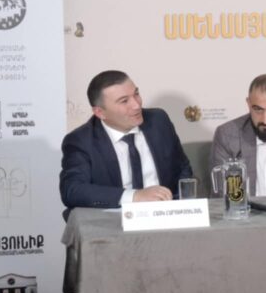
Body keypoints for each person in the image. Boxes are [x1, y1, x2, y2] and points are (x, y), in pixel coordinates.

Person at [59, 70, 192, 218]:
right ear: (100, 112)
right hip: (113, 222)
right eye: (124, 101)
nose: (136, 105)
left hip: (166, 216)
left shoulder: (158, 121)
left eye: (136, 94)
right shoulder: (81, 141)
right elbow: (72, 190)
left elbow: (182, 167)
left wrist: (181, 205)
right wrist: (135, 196)